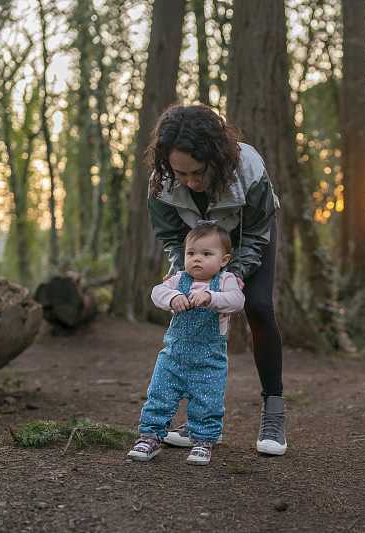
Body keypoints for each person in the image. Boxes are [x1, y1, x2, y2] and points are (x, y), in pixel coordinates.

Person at [145, 104, 288, 456]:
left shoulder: (249, 169)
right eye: (181, 173)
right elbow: (173, 238)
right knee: (196, 316)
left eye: (198, 172)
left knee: (257, 306)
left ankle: (273, 413)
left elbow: (256, 233)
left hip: (248, 237)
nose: (191, 182)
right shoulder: (160, 184)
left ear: (215, 157)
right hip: (198, 247)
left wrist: (235, 273)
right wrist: (184, 274)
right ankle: (200, 423)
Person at [128, 223, 245, 465]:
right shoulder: (179, 279)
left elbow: (237, 301)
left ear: (224, 260)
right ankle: (149, 437)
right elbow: (156, 293)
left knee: (207, 401)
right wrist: (173, 297)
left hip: (209, 359)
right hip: (173, 355)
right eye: (191, 253)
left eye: (206, 254)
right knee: (159, 394)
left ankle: (203, 441)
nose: (197, 260)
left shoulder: (226, 281)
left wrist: (211, 297)